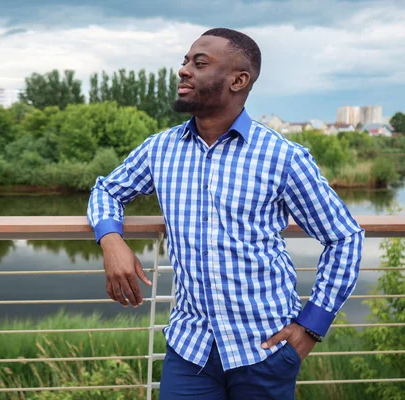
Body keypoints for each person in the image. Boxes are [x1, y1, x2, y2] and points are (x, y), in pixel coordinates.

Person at [87, 27, 364, 399]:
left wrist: (312, 325)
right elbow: (106, 189)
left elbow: (344, 236)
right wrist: (111, 240)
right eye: (185, 61)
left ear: (239, 80)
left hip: (265, 348)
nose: (184, 70)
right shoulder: (161, 150)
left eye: (199, 64)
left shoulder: (282, 157)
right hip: (190, 349)